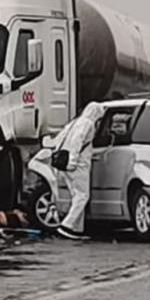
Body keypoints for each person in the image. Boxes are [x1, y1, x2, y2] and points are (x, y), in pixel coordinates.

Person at [54, 102, 106, 240]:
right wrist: (73, 160)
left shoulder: (75, 122)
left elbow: (59, 139)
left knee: (76, 196)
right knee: (82, 196)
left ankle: (77, 229)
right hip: (78, 165)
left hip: (65, 164)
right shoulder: (88, 124)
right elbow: (77, 141)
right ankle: (67, 225)